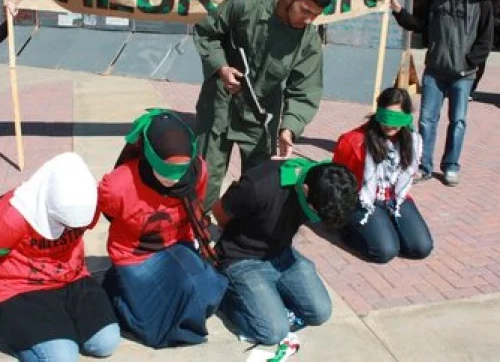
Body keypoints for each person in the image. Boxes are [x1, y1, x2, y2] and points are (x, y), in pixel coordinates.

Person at [193, 0, 333, 211]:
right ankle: (197, 232)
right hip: (219, 105)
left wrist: (289, 129)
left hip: (260, 117)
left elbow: (304, 89)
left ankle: (241, 235)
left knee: (257, 186)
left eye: (316, 15)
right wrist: (222, 68)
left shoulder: (308, 40)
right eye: (305, 11)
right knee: (205, 179)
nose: (309, 20)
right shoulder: (247, 5)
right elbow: (207, 33)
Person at [99, 109, 228, 349]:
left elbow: (196, 206)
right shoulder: (117, 184)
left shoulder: (198, 169)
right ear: (148, 156)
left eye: (180, 172)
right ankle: (117, 291)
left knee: (208, 294)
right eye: (166, 172)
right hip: (135, 254)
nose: (175, 181)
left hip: (178, 243)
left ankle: (139, 293)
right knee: (161, 326)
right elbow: (109, 214)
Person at [212, 158, 358, 345]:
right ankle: (230, 296)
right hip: (242, 258)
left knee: (320, 312)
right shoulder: (258, 187)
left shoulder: (326, 182)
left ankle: (267, 296)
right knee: (273, 332)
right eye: (315, 212)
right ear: (305, 190)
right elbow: (219, 211)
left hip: (282, 253)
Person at [0, 152, 120, 362]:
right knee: (62, 358)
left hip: (72, 278)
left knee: (105, 343)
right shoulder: (12, 216)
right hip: (21, 287)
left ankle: (54, 331)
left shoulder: (88, 203)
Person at [389, 0, 494, 186]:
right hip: (435, 71)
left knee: (458, 121)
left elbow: (486, 40)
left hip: (463, 74)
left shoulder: (482, 1)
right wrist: (398, 11)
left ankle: (451, 166)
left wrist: (470, 62)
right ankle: (424, 166)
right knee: (426, 120)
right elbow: (418, 24)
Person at [332, 87, 433, 264]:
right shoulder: (353, 141)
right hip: (363, 198)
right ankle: (349, 230)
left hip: (395, 198)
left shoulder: (412, 140)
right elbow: (337, 180)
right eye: (386, 117)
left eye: (397, 119)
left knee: (421, 248)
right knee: (385, 252)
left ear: (407, 117)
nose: (390, 125)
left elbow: (405, 176)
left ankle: (386, 226)